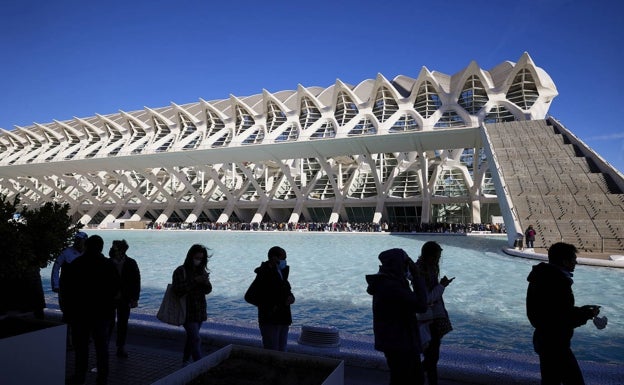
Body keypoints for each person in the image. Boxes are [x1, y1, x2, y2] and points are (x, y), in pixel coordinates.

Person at [526, 242, 601, 385]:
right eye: (573, 259)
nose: (576, 262)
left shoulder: (542, 277)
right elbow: (561, 318)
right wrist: (587, 313)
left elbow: (554, 311)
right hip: (556, 344)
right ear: (564, 261)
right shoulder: (557, 282)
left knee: (550, 381)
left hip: (544, 339)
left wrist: (582, 310)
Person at [60, 234, 120, 385]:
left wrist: (67, 312)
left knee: (81, 349)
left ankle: (80, 377)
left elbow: (67, 290)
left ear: (86, 246)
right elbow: (115, 289)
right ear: (101, 248)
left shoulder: (76, 264)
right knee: (102, 348)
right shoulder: (109, 265)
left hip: (80, 314)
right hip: (102, 314)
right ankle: (102, 379)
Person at [366, 248, 428, 385]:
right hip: (401, 343)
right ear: (398, 265)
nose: (408, 267)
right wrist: (417, 277)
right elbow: (422, 306)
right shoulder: (392, 286)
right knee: (412, 379)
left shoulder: (386, 281)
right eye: (405, 263)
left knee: (399, 378)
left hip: (394, 341)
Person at [416, 241, 454, 385]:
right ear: (429, 256)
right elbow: (427, 298)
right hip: (428, 319)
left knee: (432, 357)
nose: (438, 260)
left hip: (431, 318)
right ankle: (413, 375)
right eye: (436, 257)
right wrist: (442, 286)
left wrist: (441, 285)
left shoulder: (427, 268)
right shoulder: (421, 271)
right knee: (432, 358)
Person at [244, 246, 295, 351]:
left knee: (282, 350)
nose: (285, 261)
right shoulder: (263, 274)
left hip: (283, 318)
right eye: (283, 258)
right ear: (274, 258)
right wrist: (271, 307)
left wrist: (291, 297)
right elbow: (249, 296)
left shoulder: (282, 272)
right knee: (271, 351)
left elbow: (286, 291)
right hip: (270, 320)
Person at [171, 244, 212, 366]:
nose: (198, 261)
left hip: (199, 310)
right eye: (197, 258)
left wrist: (205, 282)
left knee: (192, 338)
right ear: (190, 257)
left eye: (201, 259)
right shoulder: (180, 271)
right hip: (186, 311)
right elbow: (178, 290)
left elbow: (208, 290)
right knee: (196, 338)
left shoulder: (201, 271)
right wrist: (195, 281)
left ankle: (185, 361)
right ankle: (200, 366)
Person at [108, 239, 141, 359]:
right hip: (109, 298)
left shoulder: (131, 263)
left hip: (125, 298)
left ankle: (120, 347)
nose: (112, 249)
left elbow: (136, 281)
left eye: (115, 247)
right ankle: (105, 345)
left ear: (122, 250)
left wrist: (135, 298)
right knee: (109, 323)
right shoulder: (107, 262)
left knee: (123, 323)